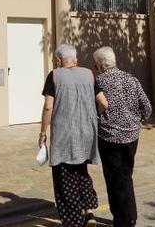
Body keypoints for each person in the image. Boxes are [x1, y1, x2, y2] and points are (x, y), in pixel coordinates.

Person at [38, 43, 109, 227]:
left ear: (59, 59)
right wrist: (94, 118)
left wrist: (42, 132)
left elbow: (48, 107)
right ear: (75, 59)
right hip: (86, 134)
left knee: (64, 177)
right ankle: (89, 213)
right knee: (81, 172)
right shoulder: (89, 74)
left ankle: (73, 221)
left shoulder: (54, 75)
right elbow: (103, 102)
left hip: (65, 136)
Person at [92, 46, 152, 227]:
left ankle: (121, 220)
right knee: (126, 175)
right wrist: (135, 122)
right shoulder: (131, 79)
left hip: (109, 137)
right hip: (132, 137)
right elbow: (147, 108)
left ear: (101, 65)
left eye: (95, 66)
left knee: (114, 179)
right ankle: (131, 216)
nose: (95, 69)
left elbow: (95, 108)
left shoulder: (99, 81)